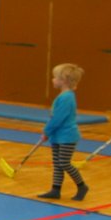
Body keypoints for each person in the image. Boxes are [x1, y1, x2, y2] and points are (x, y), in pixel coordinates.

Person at [38, 63, 89, 201]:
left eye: (55, 77)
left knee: (64, 163)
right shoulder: (63, 96)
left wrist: (46, 131)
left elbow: (58, 118)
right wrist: (50, 132)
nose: (53, 80)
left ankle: (82, 186)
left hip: (67, 136)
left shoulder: (67, 98)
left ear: (64, 80)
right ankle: (55, 189)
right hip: (58, 135)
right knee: (57, 163)